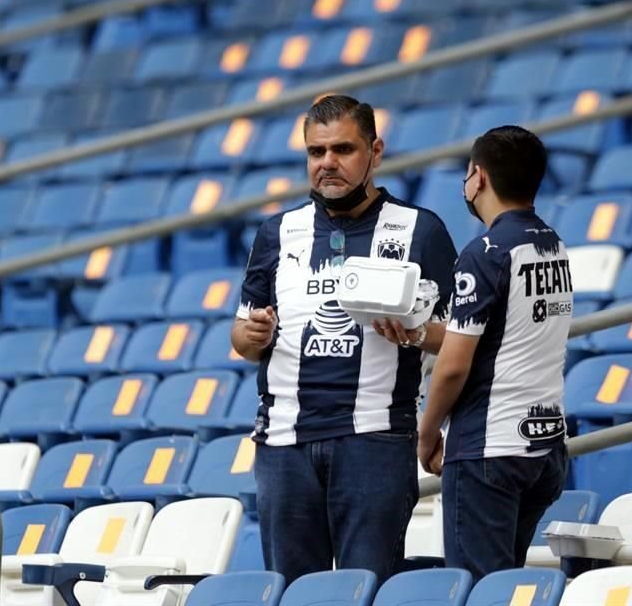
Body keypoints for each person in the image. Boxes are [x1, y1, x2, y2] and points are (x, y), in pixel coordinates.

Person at [231, 95, 458, 583]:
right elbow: (243, 337)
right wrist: (252, 334)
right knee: (293, 592)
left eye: (343, 149)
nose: (327, 162)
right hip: (284, 444)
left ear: (375, 151)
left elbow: (459, 337)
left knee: (365, 587)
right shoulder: (277, 232)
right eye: (316, 152)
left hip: (376, 440)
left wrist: (418, 333)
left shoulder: (420, 230)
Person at [417, 126, 572, 579]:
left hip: (489, 450)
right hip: (544, 448)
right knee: (508, 587)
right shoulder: (552, 245)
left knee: (480, 589)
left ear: (479, 177)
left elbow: (453, 367)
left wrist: (427, 433)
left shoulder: (485, 252)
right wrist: (415, 334)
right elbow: (501, 334)